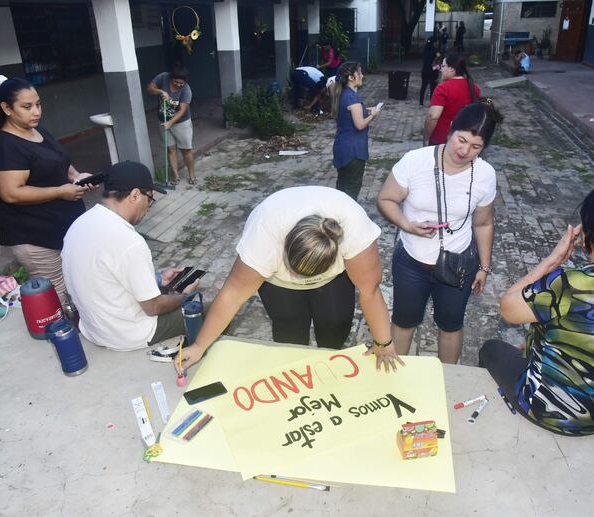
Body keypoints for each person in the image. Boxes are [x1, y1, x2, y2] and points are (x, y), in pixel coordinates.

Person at [479, 186, 594, 436]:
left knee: (490, 349)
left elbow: (508, 308)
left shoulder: (571, 283)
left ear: (588, 236)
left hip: (557, 413)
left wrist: (553, 260)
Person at [174, 186, 404, 374]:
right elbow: (232, 295)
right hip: (278, 284)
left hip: (332, 280)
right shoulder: (264, 236)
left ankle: (329, 368)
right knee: (289, 331)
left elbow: (370, 291)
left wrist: (383, 343)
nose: (299, 279)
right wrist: (199, 346)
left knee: (336, 323)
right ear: (283, 249)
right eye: (295, 271)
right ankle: (295, 374)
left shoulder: (354, 230)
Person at [377, 101, 503, 364]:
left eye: (476, 147)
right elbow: (386, 199)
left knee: (450, 325)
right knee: (404, 321)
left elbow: (483, 223)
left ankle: (448, 378)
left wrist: (484, 267)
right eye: (461, 140)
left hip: (458, 264)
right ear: (450, 130)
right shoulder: (415, 161)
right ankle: (395, 379)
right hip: (411, 261)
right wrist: (406, 225)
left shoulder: (485, 174)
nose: (465, 151)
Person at [61, 161, 200, 351]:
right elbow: (153, 307)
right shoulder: (129, 241)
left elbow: (107, 275)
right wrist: (184, 296)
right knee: (213, 311)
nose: (148, 206)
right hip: (128, 335)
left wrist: (158, 279)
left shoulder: (79, 224)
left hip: (94, 330)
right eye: (149, 199)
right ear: (135, 195)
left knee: (165, 292)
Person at [0, 74, 91, 307]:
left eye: (38, 104)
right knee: (56, 294)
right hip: (34, 236)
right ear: (7, 109)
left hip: (60, 228)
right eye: (27, 106)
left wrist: (76, 176)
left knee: (77, 284)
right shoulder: (3, 146)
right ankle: (61, 338)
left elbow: (59, 161)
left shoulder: (37, 131)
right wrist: (61, 192)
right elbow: (11, 193)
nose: (36, 112)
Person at [331, 62, 381, 201]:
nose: (362, 76)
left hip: (342, 147)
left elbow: (352, 112)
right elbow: (360, 125)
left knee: (341, 187)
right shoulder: (353, 97)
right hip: (353, 150)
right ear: (351, 78)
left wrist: (366, 110)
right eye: (359, 73)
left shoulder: (342, 94)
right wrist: (372, 115)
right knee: (351, 190)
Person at [146, 67, 196, 185]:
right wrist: (160, 91)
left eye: (181, 83)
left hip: (181, 122)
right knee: (170, 149)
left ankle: (192, 175)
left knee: (186, 150)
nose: (179, 85)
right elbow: (150, 88)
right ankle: (175, 176)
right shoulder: (163, 77)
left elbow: (182, 110)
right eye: (176, 82)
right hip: (163, 120)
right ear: (171, 78)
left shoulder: (186, 90)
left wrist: (170, 123)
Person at [423, 54, 480, 146]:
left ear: (452, 69)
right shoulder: (474, 88)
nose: (441, 69)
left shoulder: (443, 88)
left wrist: (426, 138)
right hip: (463, 139)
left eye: (443, 66)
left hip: (441, 139)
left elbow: (433, 116)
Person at [419, 38, 441, 106]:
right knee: (433, 88)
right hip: (433, 71)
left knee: (423, 87)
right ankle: (432, 102)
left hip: (425, 71)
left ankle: (421, 102)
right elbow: (438, 59)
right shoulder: (435, 51)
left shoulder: (425, 50)